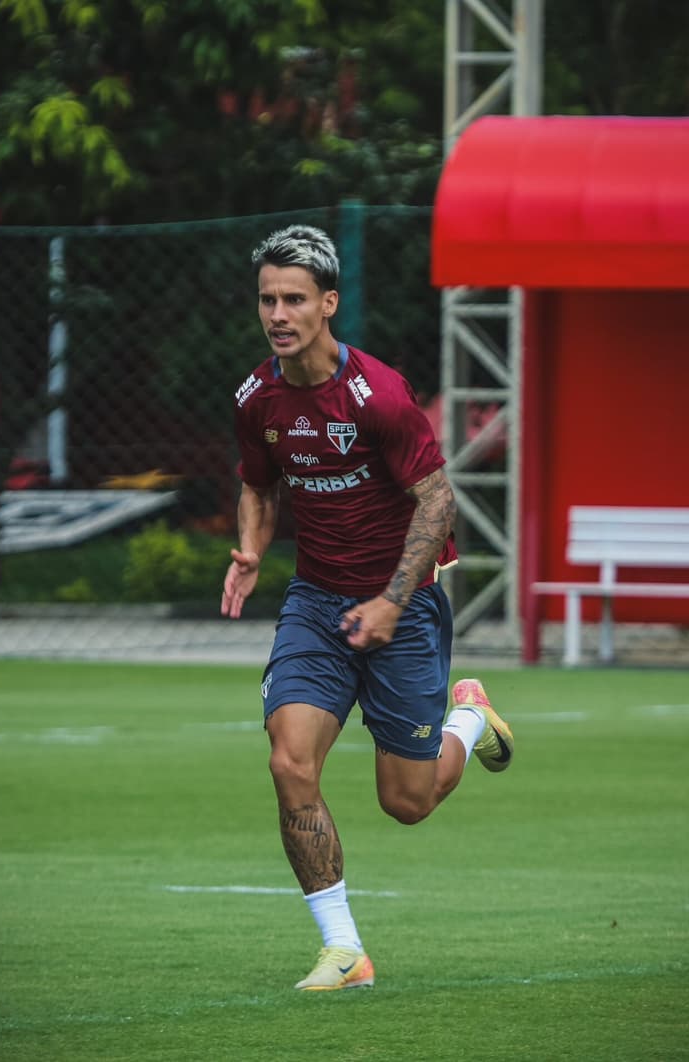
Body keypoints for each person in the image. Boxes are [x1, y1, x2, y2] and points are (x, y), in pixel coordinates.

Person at [221, 224, 514, 991]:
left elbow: (437, 498)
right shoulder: (258, 397)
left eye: (293, 299)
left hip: (403, 607)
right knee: (290, 760)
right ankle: (344, 948)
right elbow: (258, 482)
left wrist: (389, 600)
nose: (277, 314)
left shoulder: (377, 394)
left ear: (328, 303)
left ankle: (470, 719)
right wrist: (250, 548)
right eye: (266, 300)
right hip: (317, 602)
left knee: (407, 802)